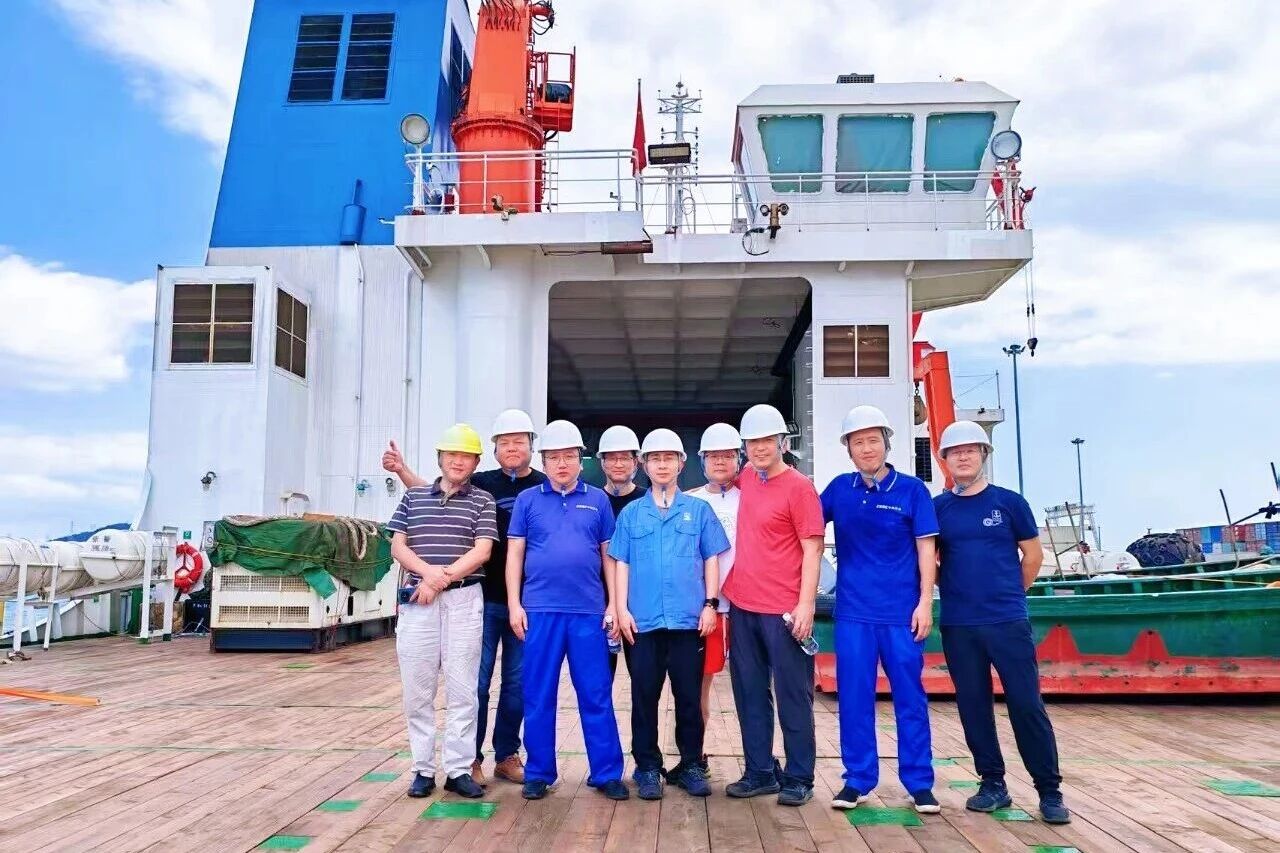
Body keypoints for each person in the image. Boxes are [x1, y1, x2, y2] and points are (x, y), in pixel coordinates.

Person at [383, 409, 546, 786]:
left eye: (519, 441)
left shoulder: (540, 486)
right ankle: (466, 760)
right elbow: (433, 497)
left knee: (517, 684)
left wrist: (436, 578)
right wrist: (402, 471)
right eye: (505, 442)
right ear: (493, 449)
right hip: (482, 598)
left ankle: (506, 755)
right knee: (474, 684)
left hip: (526, 600)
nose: (512, 448)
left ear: (531, 447)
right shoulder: (481, 483)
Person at [934, 420, 1070, 825]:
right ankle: (992, 783)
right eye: (955, 452)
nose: (963, 457)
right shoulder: (939, 509)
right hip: (959, 624)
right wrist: (955, 587)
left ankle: (1049, 791)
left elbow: (1033, 556)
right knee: (973, 704)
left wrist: (1010, 594)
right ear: (944, 459)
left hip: (1007, 621)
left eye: (970, 450)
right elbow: (930, 562)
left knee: (1026, 704)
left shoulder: (1010, 503)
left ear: (983, 455)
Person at [820, 405, 940, 814]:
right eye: (858, 442)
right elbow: (805, 527)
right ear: (848, 449)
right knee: (854, 699)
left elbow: (926, 549)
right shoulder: (840, 489)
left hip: (901, 615)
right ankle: (857, 779)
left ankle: (919, 782)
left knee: (910, 698)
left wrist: (925, 602)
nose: (867, 448)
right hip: (853, 614)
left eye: (873, 440)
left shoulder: (912, 491)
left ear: (886, 444)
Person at [506, 420, 629, 801]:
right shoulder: (528, 500)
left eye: (569, 456)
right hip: (539, 611)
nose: (562, 464)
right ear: (543, 461)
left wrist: (613, 604)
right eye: (554, 457)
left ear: (581, 460)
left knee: (596, 693)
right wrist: (514, 604)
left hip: (588, 612)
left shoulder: (598, 500)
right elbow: (515, 554)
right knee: (537, 693)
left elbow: (609, 555)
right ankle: (539, 772)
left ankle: (606, 773)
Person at [611, 429, 729, 800]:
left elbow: (711, 558)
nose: (662, 465)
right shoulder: (631, 514)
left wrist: (710, 604)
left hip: (688, 622)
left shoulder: (699, 510)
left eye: (669, 458)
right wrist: (621, 609)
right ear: (644, 465)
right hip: (642, 623)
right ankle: (647, 767)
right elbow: (621, 563)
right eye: (655, 459)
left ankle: (691, 764)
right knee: (644, 698)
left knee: (689, 698)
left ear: (681, 463)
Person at [387, 423, 498, 800]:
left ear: (476, 462)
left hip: (463, 600)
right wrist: (429, 575)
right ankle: (422, 769)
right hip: (419, 601)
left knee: (463, 688)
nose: (458, 461)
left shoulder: (483, 501)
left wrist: (440, 579)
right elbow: (398, 547)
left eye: (466, 456)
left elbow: (482, 550)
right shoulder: (414, 498)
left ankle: (458, 769)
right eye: (452, 454)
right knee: (417, 689)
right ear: (440, 458)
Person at [721, 404, 825, 807]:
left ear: (783, 442)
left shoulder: (799, 487)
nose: (760, 448)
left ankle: (799, 776)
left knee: (793, 694)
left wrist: (806, 605)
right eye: (752, 442)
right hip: (744, 605)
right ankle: (760, 772)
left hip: (784, 610)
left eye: (767, 440)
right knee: (749, 692)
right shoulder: (747, 477)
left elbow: (812, 548)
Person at [683, 422, 742, 775]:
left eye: (728, 455)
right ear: (702, 460)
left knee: (752, 689)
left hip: (747, 609)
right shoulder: (690, 501)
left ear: (739, 459)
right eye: (713, 455)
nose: (720, 461)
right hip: (707, 610)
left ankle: (760, 762)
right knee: (697, 689)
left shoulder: (750, 499)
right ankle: (697, 755)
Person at [596, 425, 647, 679]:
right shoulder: (592, 500)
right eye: (612, 458)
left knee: (643, 680)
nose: (618, 464)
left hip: (640, 602)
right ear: (602, 462)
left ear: (636, 462)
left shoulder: (648, 501)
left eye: (625, 458)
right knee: (600, 679)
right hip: (599, 602)